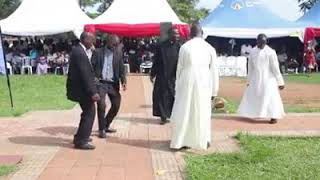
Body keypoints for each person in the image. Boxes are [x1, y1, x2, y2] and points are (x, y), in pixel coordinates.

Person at [170, 24, 219, 150]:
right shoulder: (209, 48)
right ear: (202, 33)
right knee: (203, 110)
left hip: (186, 81)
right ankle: (204, 139)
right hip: (203, 82)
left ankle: (182, 140)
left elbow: (179, 69)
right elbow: (214, 71)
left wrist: (177, 86)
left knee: (184, 110)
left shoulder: (184, 47)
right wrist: (214, 90)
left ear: (190, 34)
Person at [237, 34, 285, 124]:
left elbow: (275, 68)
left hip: (269, 79)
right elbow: (250, 67)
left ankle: (274, 116)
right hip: (256, 78)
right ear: (257, 41)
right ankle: (251, 113)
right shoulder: (253, 51)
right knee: (253, 95)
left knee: (270, 97)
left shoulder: (271, 52)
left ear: (266, 42)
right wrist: (248, 80)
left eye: (264, 42)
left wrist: (280, 82)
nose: (262, 44)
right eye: (260, 42)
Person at [66, 32, 100, 150]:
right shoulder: (80, 52)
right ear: (85, 39)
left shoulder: (79, 50)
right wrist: (93, 92)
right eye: (92, 40)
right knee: (89, 112)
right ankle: (81, 141)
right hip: (82, 90)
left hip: (80, 88)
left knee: (87, 112)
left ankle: (80, 136)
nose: (93, 42)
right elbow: (85, 74)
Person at [91, 34, 127, 139]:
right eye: (114, 44)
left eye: (117, 44)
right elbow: (91, 67)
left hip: (113, 83)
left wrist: (124, 80)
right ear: (108, 42)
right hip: (101, 83)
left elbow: (121, 68)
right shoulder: (97, 52)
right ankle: (102, 129)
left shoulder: (118, 53)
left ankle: (106, 124)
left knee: (116, 105)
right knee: (101, 105)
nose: (116, 46)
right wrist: (93, 78)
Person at [150, 27, 181, 125]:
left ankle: (171, 114)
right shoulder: (161, 46)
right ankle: (163, 116)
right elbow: (157, 61)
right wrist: (152, 73)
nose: (177, 36)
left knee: (172, 95)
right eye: (175, 34)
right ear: (170, 34)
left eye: (178, 34)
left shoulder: (179, 47)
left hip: (173, 76)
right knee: (162, 96)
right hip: (162, 75)